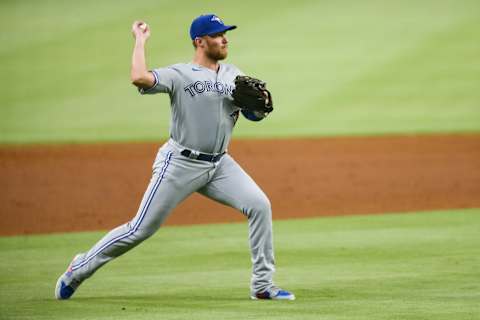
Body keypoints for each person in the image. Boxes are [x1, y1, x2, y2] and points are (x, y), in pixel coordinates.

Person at [55, 14, 295, 301]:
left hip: (219, 165)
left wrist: (258, 108)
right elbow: (138, 78)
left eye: (225, 33)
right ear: (200, 41)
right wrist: (140, 41)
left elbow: (253, 114)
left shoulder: (234, 74)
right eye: (218, 34)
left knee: (259, 205)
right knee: (140, 229)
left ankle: (263, 286)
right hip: (179, 164)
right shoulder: (179, 74)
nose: (225, 38)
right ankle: (78, 269)